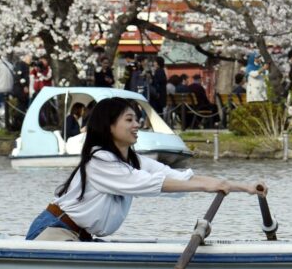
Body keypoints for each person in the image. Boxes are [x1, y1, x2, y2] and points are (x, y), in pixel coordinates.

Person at [25, 97, 267, 241]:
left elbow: (179, 178)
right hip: (55, 231)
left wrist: (242, 187)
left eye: (136, 119)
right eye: (129, 120)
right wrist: (206, 186)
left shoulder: (133, 160)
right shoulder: (100, 160)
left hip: (79, 236)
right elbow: (147, 184)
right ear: (109, 127)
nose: (137, 124)